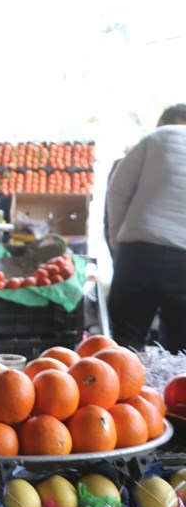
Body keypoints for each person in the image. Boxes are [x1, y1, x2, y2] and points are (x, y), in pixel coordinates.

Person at [106, 103, 186, 350]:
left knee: (126, 344)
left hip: (139, 251)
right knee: (181, 349)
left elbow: (117, 193)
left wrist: (118, 241)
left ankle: (126, 388)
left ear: (162, 122)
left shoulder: (154, 138)